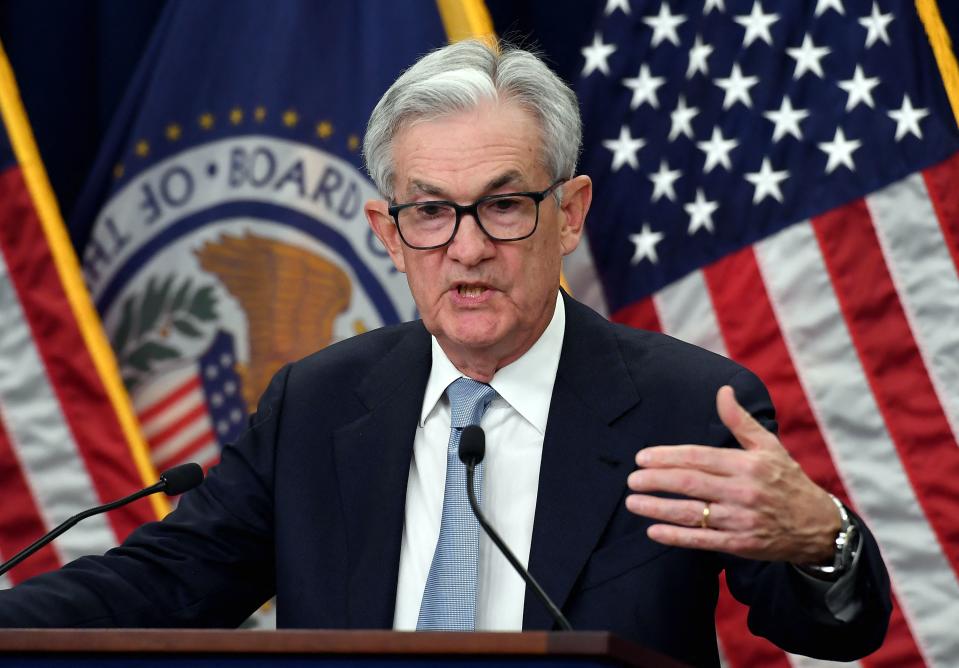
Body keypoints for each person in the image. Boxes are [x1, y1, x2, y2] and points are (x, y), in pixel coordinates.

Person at [0, 39, 889, 666]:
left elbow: (830, 630)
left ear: (569, 212)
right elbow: (158, 584)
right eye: (429, 211)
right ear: (386, 233)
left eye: (503, 206)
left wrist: (824, 540)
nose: (465, 248)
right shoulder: (315, 404)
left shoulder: (686, 404)